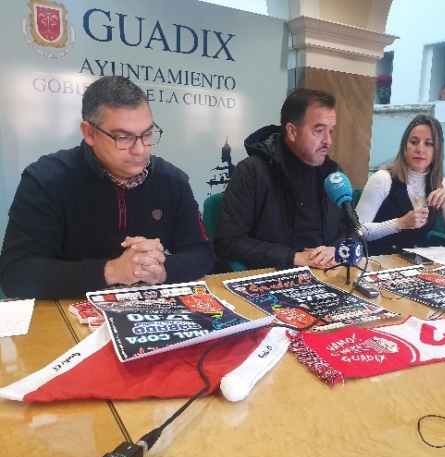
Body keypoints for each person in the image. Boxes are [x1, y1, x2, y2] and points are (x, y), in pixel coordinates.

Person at [0, 76, 215, 299]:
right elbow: (16, 273)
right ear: (89, 133)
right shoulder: (46, 180)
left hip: (148, 309)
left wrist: (161, 270)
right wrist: (112, 271)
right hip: (67, 312)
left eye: (147, 134)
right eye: (123, 137)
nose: (140, 150)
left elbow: (201, 253)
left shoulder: (172, 180)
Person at [214, 88, 344, 270]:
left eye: (330, 131)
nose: (328, 141)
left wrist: (335, 250)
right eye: (319, 130)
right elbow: (228, 242)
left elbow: (352, 229)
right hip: (274, 275)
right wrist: (295, 257)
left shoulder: (333, 173)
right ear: (292, 132)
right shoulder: (253, 170)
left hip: (329, 273)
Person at [356, 114, 445, 256]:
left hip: (418, 265)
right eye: (414, 142)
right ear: (405, 147)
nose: (420, 149)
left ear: (437, 151)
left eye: (429, 144)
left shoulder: (442, 183)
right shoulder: (382, 179)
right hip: (379, 263)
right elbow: (357, 231)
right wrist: (399, 224)